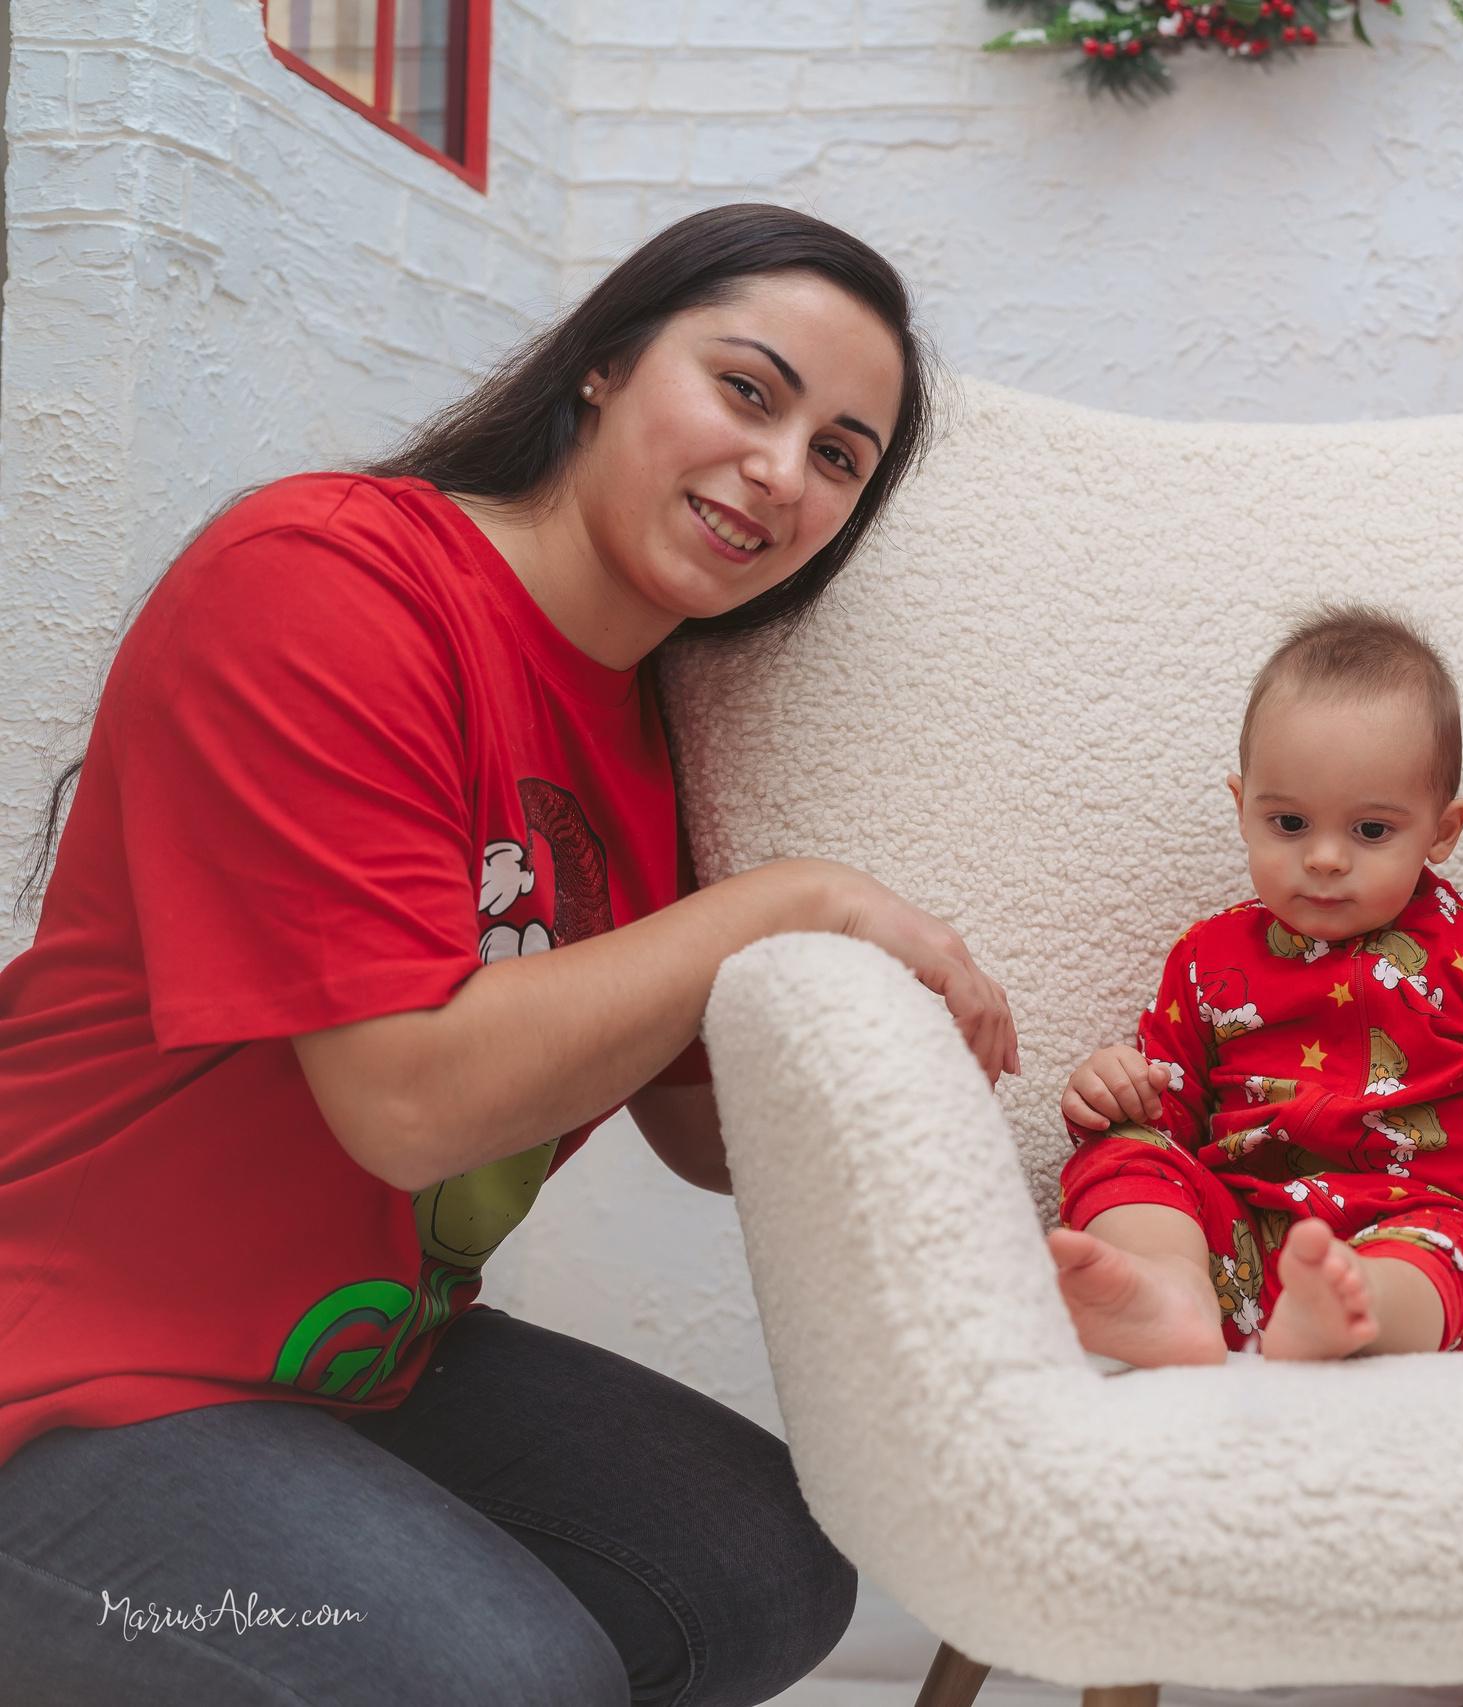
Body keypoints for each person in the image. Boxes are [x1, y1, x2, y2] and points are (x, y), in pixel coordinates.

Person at [0, 204, 1020, 1707]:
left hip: (348, 1365)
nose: (781, 471)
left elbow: (705, 1132)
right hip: (63, 1369)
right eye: (749, 389)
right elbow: (410, 1103)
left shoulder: (653, 726)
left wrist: (949, 1082)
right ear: (606, 363)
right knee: (501, 1676)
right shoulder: (326, 577)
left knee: (773, 1563)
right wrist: (792, 900)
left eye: (839, 458)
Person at [1045, 606, 1463, 1364]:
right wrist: (1112, 1088)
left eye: (1370, 831)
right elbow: (1163, 1111)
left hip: (1423, 1228)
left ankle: (1355, 1310)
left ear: (1442, 829)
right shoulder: (1209, 955)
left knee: (1462, 1259)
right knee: (1118, 1153)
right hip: (1242, 1236)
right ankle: (1168, 1290)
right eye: (1290, 822)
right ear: (1242, 809)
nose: (1326, 858)